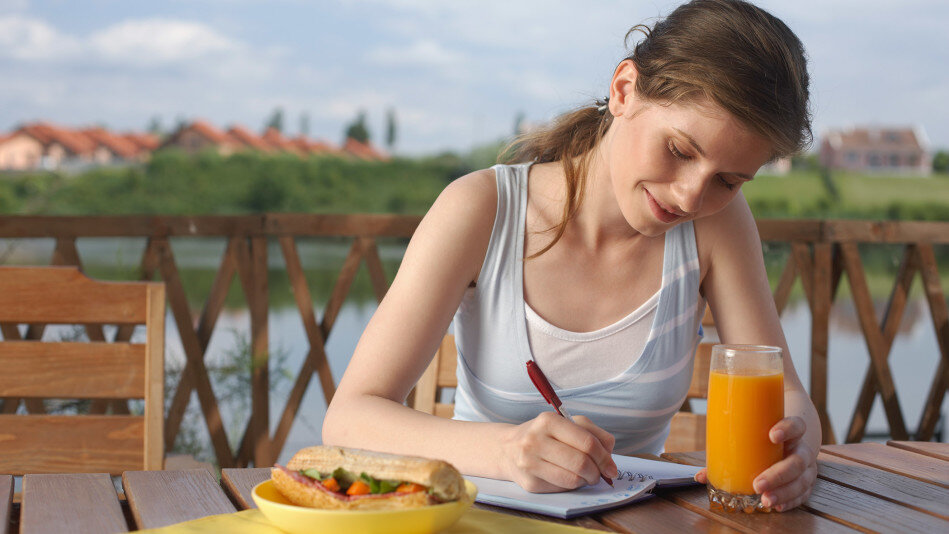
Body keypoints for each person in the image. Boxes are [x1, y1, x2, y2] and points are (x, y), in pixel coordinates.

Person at [324, 0, 821, 512]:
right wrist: (505, 450)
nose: (691, 198)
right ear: (625, 90)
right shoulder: (480, 209)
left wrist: (799, 451)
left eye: (729, 180)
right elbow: (350, 416)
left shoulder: (718, 225)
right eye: (679, 150)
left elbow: (784, 395)